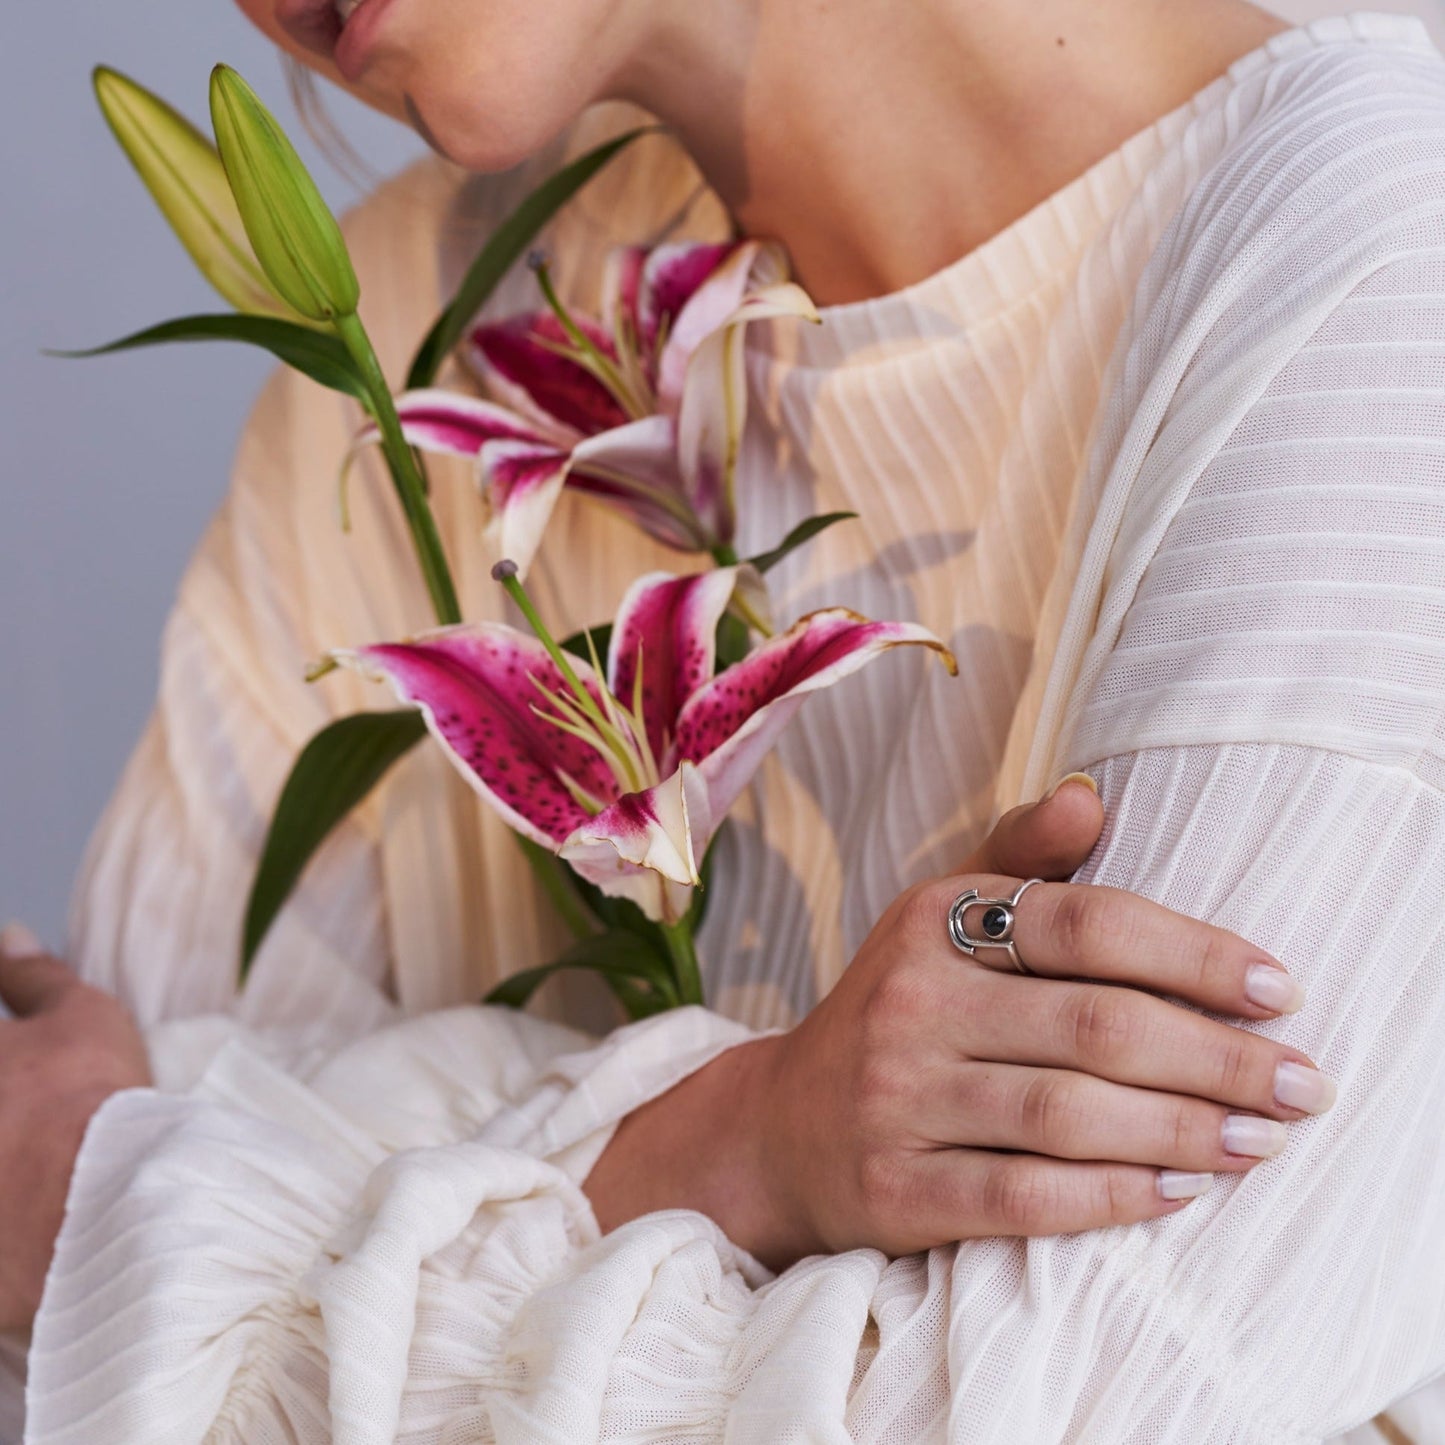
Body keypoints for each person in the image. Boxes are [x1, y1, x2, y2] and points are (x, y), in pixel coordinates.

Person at [4, 0, 1445, 1439]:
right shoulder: (404, 344)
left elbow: (1019, 1415)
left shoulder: (1380, 276)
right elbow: (56, 1364)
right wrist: (732, 1136)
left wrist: (114, 1216)